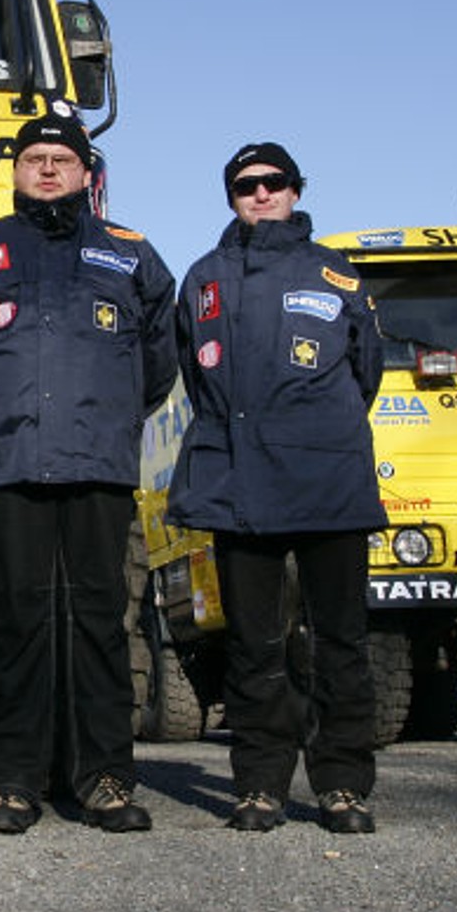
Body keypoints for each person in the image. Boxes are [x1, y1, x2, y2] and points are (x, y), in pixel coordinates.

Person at [0, 113, 177, 835]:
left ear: (85, 172)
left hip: (98, 465)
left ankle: (103, 778)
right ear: (14, 170)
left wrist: (112, 415)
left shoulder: (131, 257)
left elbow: (158, 362)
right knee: (12, 625)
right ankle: (11, 782)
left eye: (60, 159)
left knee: (101, 624)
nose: (46, 170)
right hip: (7, 466)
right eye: (33, 158)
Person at [164, 142, 386, 835]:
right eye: (244, 186)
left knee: (339, 642)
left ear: (296, 190)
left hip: (329, 483)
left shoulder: (337, 276)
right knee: (254, 646)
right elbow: (195, 375)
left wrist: (313, 430)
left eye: (272, 183)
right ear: (231, 196)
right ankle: (259, 785)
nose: (259, 195)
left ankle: (343, 786)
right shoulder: (203, 278)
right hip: (240, 485)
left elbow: (366, 374)